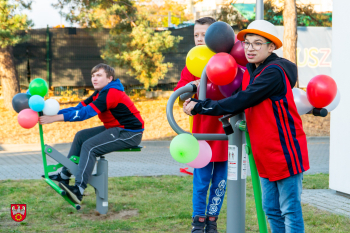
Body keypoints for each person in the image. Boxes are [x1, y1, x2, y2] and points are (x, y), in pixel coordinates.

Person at [183, 20, 309, 233]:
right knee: (271, 209)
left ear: (271, 47)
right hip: (263, 151)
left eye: (257, 43)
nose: (250, 49)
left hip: (284, 149)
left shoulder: (274, 72)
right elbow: (237, 98)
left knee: (289, 209)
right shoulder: (252, 71)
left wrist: (201, 106)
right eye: (247, 43)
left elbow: (243, 99)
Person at [40, 63, 144, 205]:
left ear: (109, 79)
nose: (94, 79)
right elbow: (78, 108)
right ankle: (64, 175)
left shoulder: (111, 93)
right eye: (93, 75)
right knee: (81, 136)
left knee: (90, 146)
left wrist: (54, 119)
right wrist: (50, 113)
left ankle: (79, 190)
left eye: (99, 75)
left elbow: (84, 114)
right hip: (115, 128)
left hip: (130, 132)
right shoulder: (99, 93)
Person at [174, 17, 228, 233]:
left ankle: (212, 221)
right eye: (196, 34)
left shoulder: (225, 60)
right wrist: (192, 88)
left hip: (225, 131)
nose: (199, 38)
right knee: (201, 180)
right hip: (202, 133)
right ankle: (198, 223)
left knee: (220, 182)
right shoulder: (192, 63)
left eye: (204, 34)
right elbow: (179, 96)